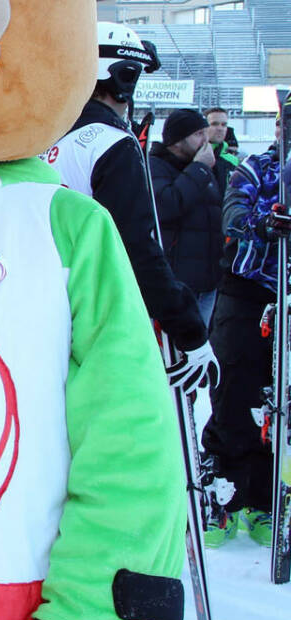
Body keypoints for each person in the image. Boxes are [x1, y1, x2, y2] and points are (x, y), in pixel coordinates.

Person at [45, 23, 215, 389]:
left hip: (50, 306)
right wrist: (188, 328)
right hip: (99, 314)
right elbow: (136, 246)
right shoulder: (110, 143)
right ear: (122, 76)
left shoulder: (49, 139)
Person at [199, 104, 290, 548]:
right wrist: (265, 224)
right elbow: (233, 214)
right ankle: (222, 494)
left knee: (278, 403)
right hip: (246, 293)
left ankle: (264, 498)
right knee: (234, 392)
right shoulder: (256, 169)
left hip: (286, 300)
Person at [148, 109, 223, 328]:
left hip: (208, 277)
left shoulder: (204, 167)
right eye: (198, 134)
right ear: (177, 141)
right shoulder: (156, 165)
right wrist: (199, 168)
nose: (205, 140)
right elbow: (168, 205)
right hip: (180, 279)